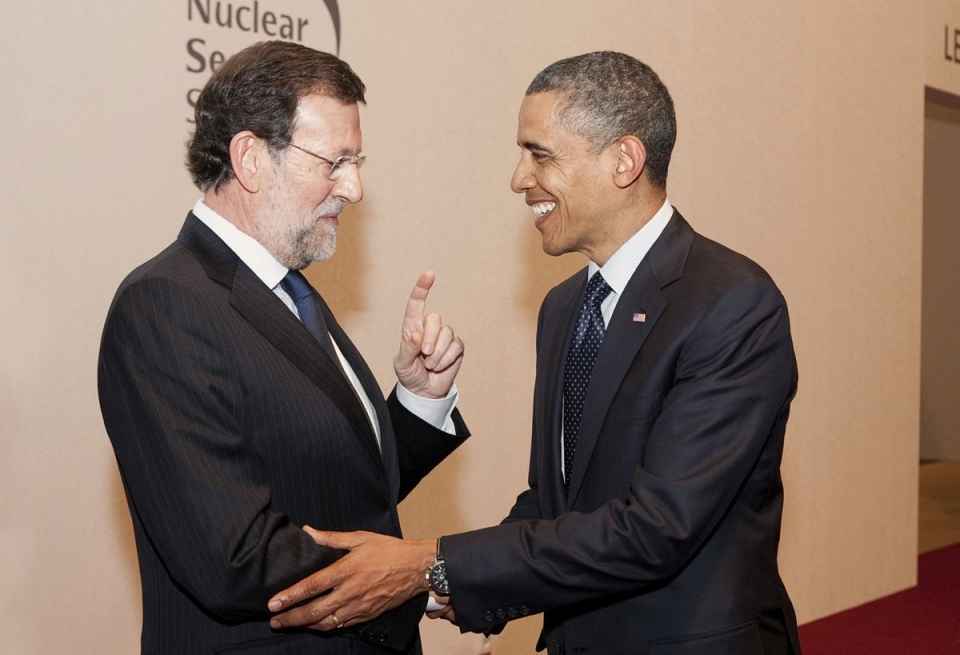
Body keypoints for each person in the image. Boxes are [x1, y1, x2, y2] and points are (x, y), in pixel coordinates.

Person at [267, 51, 801, 655]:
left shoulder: (731, 303)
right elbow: (555, 501)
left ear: (624, 160)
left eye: (539, 154)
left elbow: (657, 529)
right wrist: (440, 585)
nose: (519, 179)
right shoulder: (564, 306)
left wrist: (427, 565)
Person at [98, 40, 468, 655]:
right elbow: (232, 553)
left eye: (359, 160)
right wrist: (416, 581)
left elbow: (335, 491)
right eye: (336, 161)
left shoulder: (290, 292)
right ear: (249, 158)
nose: (354, 187)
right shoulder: (165, 304)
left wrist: (418, 402)